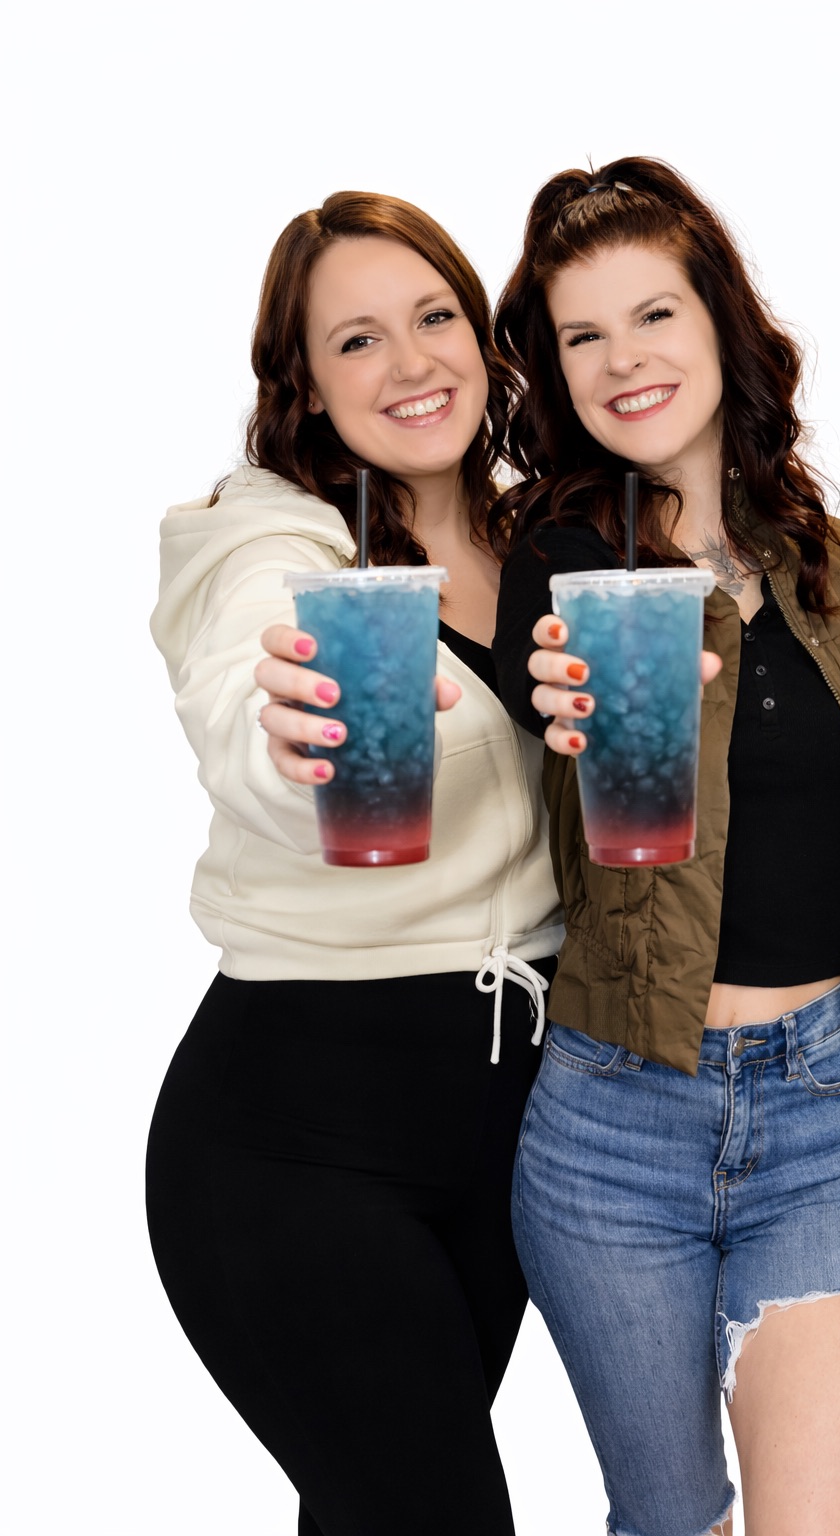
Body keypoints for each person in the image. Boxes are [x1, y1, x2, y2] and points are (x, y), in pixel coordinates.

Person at [490, 158, 840, 1536]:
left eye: (654, 314)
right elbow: (537, 684)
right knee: (671, 1523)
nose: (623, 360)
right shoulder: (566, 561)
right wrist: (553, 691)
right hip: (611, 1122)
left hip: (817, 1115)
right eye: (582, 336)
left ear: (719, 321)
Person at [145, 191, 565, 1536]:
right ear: (305, 384)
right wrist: (299, 746)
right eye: (356, 341)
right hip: (297, 1140)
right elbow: (246, 705)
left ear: (484, 338)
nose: (410, 363)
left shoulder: (546, 541)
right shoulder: (273, 540)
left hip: (510, 1135)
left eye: (434, 317)